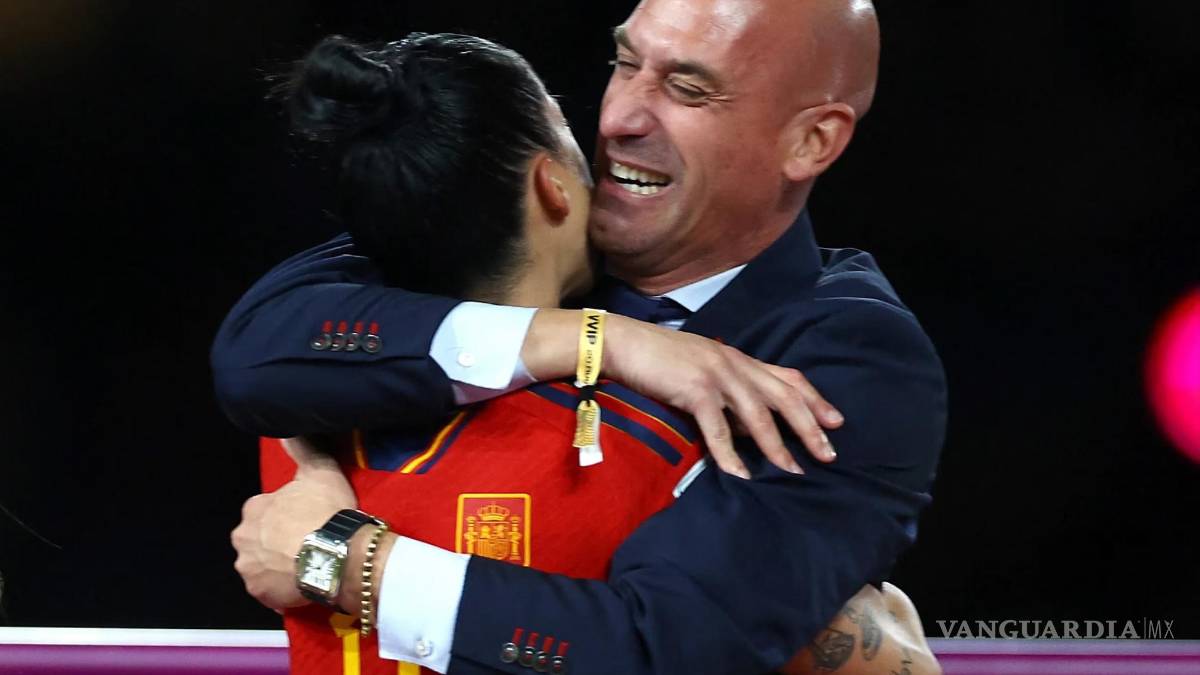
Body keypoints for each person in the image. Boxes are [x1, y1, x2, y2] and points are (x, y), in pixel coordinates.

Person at [220, 1, 947, 673]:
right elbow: (255, 350)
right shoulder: (521, 229)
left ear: (811, 140)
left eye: (688, 90)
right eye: (625, 63)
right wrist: (597, 338)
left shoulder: (852, 358)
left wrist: (348, 561)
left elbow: (664, 650)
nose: (619, 117)